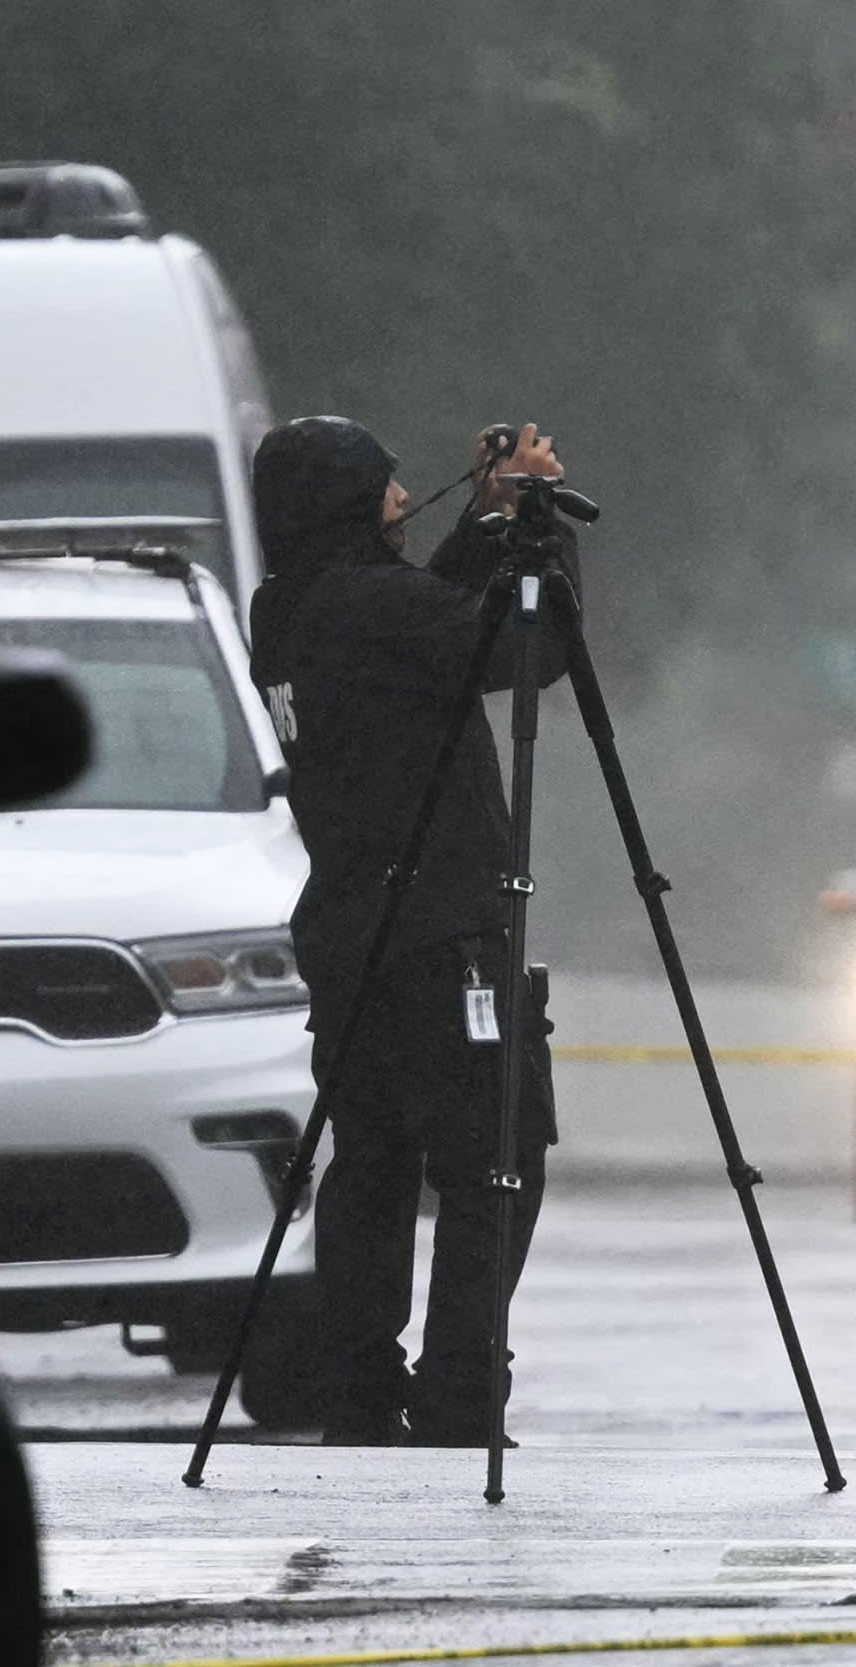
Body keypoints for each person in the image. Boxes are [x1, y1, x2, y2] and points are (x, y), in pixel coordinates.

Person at [246, 416, 579, 1446]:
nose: (404, 489)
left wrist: (483, 521)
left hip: (354, 939)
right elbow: (529, 647)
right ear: (351, 499)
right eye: (388, 479)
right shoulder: (376, 607)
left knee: (377, 1161)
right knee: (495, 1158)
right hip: (445, 938)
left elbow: (429, 629)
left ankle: (358, 1386)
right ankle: (460, 1389)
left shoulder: (289, 609)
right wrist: (543, 529)